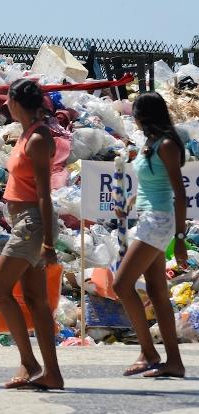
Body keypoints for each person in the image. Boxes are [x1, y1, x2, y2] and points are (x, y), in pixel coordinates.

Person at [0, 78, 64, 390]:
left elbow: (45, 194)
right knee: (35, 299)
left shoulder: (38, 138)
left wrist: (48, 242)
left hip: (33, 224)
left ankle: (30, 362)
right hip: (24, 221)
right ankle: (52, 373)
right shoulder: (27, 133)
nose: (5, 104)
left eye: (7, 99)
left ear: (17, 102)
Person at [114, 92, 186, 378]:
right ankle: (174, 362)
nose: (133, 118)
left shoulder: (167, 145)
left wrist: (180, 240)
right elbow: (147, 183)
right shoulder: (151, 144)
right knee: (157, 292)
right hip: (148, 216)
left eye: (135, 113)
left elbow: (179, 194)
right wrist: (131, 202)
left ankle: (149, 351)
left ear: (144, 115)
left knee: (121, 285)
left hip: (159, 221)